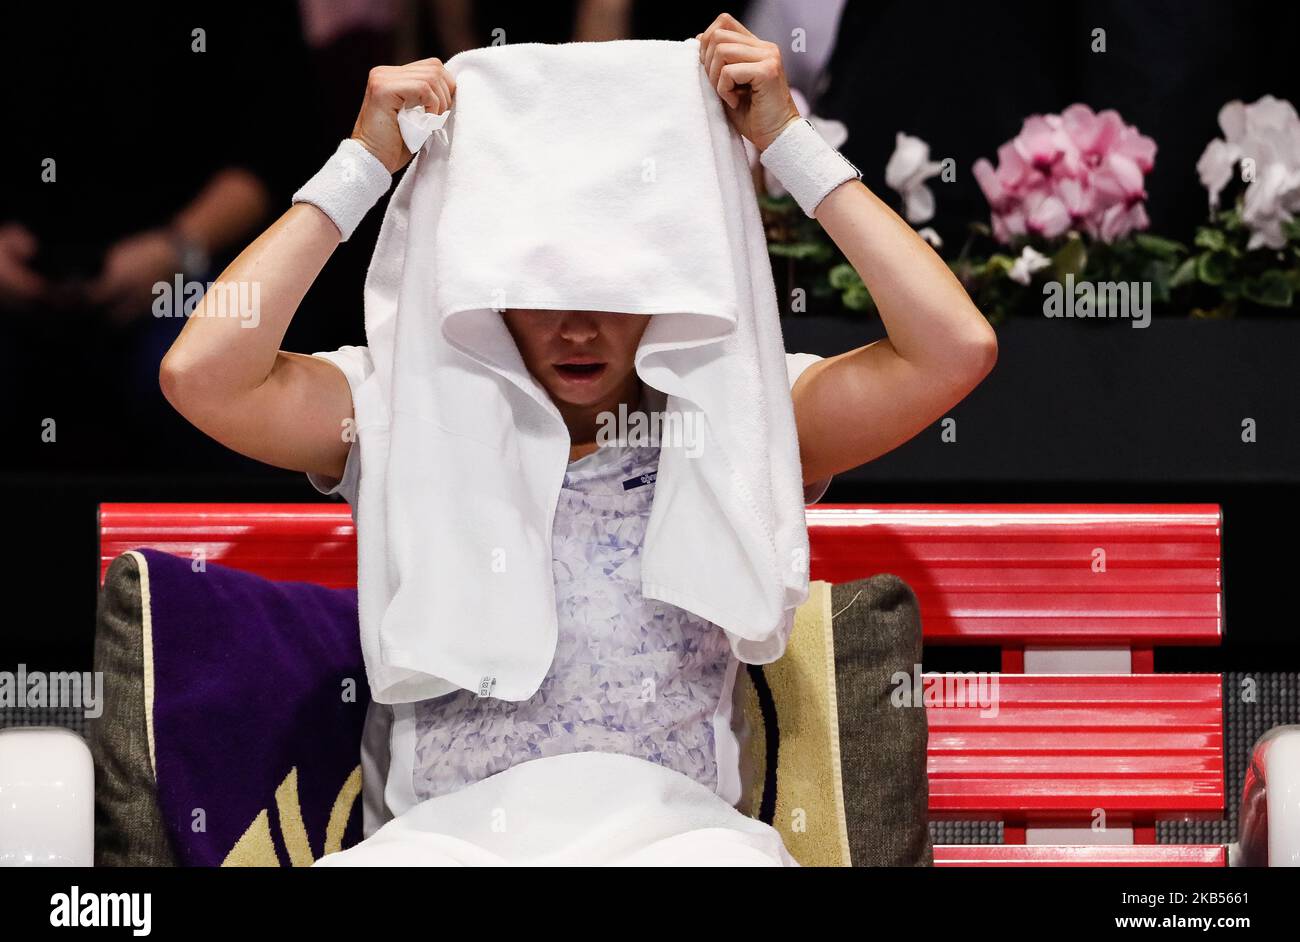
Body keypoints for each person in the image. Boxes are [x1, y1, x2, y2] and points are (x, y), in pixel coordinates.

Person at [160, 13, 997, 865]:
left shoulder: (734, 406)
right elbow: (201, 376)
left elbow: (954, 350)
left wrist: (788, 143)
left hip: (679, 838)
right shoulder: (401, 401)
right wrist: (362, 167)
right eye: (540, 290)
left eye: (612, 290)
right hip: (444, 843)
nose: (577, 328)